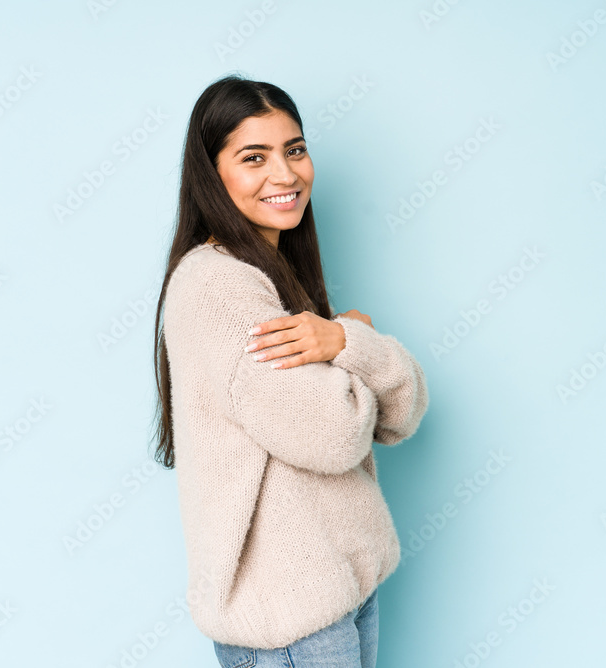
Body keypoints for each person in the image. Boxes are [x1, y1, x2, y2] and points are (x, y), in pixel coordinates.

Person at [150, 74, 430, 667]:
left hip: (340, 592)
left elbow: (404, 413)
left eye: (294, 149)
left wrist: (344, 341)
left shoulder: (275, 276)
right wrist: (354, 339)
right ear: (210, 173)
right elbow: (334, 434)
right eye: (254, 157)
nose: (285, 174)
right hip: (289, 615)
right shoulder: (218, 284)